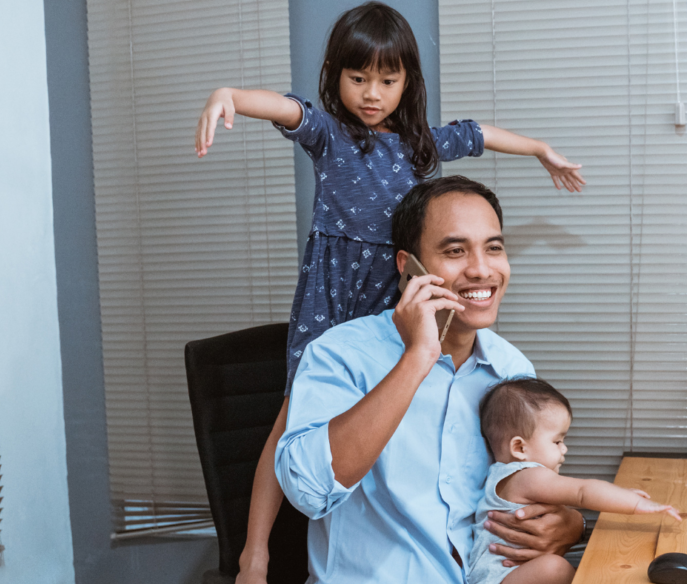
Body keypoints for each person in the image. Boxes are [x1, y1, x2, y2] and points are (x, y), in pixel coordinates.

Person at [192, 4, 586, 582]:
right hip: (338, 290)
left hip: (394, 289)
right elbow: (285, 107)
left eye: (388, 80)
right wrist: (228, 93)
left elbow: (480, 135)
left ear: (408, 81)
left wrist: (539, 149)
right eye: (358, 79)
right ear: (335, 73)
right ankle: (255, 549)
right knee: (290, 417)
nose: (372, 94)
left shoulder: (419, 144)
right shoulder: (332, 135)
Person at [275, 176, 585, 583]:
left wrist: (570, 524)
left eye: (493, 248)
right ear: (408, 266)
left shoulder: (511, 368)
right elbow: (308, 493)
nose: (481, 269)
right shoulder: (340, 354)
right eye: (455, 251)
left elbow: (527, 484)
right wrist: (418, 358)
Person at [469, 377, 682, 584]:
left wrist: (624, 494)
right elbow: (582, 491)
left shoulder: (502, 474)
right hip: (499, 577)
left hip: (508, 573)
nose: (564, 449)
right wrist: (637, 504)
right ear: (519, 448)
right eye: (557, 441)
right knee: (555, 568)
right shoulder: (527, 476)